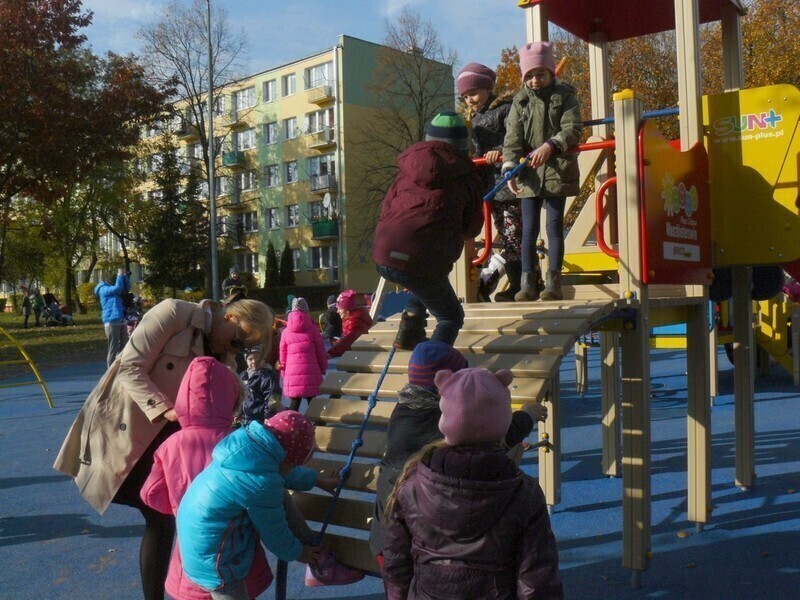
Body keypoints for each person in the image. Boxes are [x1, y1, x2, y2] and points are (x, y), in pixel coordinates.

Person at [53, 297, 275, 600]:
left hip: (176, 436)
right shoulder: (175, 313)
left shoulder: (223, 351)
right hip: (134, 424)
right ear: (231, 317)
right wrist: (167, 410)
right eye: (237, 341)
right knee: (160, 517)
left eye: (243, 347)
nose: (234, 349)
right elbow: (130, 367)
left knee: (180, 517)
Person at [380, 367, 563, 599]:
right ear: (503, 424)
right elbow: (537, 577)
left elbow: (396, 562)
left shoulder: (414, 482)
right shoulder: (523, 492)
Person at [369, 342, 544, 559]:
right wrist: (527, 415)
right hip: (415, 541)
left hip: (389, 538)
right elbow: (491, 436)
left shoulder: (406, 409)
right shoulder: (444, 421)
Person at [177, 411, 364, 598]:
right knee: (230, 592)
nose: (292, 468)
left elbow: (282, 472)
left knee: (278, 491)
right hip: (214, 559)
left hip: (197, 535)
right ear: (285, 459)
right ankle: (315, 559)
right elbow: (275, 532)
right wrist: (299, 553)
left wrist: (317, 481)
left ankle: (317, 559)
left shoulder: (251, 451)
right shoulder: (261, 484)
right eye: (293, 464)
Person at [139, 356, 273, 600]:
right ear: (231, 400)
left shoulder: (170, 446)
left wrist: (178, 506)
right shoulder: (241, 441)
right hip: (238, 544)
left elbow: (150, 493)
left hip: (192, 548)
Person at [372, 111, 484, 349]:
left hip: (383, 254)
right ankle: (428, 373)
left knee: (426, 277)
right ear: (462, 145)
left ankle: (410, 329)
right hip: (422, 261)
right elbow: (472, 227)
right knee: (450, 316)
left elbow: (385, 210)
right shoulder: (467, 176)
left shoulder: (406, 173)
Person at [503, 41, 583, 302]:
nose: (535, 80)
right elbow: (512, 137)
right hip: (529, 174)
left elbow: (572, 128)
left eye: (540, 74)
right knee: (528, 229)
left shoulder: (565, 96)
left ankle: (554, 282)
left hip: (557, 170)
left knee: (553, 228)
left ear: (551, 72)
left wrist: (552, 145)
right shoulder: (520, 101)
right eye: (529, 76)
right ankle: (527, 283)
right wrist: (510, 168)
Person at [459, 62, 525, 302]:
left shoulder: (506, 109)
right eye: (465, 96)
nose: (470, 100)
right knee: (507, 235)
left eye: (473, 93)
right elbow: (477, 149)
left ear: (487, 88)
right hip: (490, 185)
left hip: (507, 183)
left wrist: (498, 150)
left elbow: (515, 138)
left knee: (512, 235)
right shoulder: (476, 118)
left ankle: (520, 284)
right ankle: (521, 282)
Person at [278, 297, 328, 412]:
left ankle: (291, 425)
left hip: (292, 371)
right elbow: (321, 350)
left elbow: (282, 355)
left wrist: (284, 372)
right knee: (312, 402)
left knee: (294, 402)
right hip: (310, 369)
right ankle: (318, 423)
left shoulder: (285, 332)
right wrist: (323, 367)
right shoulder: (313, 329)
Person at [95, 267, 131, 367]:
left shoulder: (113, 288)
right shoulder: (103, 289)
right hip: (111, 321)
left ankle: (121, 366)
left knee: (125, 345)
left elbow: (127, 287)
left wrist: (124, 276)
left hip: (120, 319)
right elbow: (118, 288)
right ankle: (110, 369)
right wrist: (119, 275)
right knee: (113, 347)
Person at [238, 350, 281, 425]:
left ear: (264, 359)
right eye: (250, 359)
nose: (254, 361)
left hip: (260, 419)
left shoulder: (267, 377)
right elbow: (240, 396)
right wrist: (238, 412)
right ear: (246, 361)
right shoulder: (244, 375)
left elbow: (273, 398)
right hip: (245, 418)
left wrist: (268, 416)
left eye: (258, 358)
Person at [327, 289, 373, 358]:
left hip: (359, 357)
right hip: (357, 355)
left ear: (347, 310)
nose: (338, 311)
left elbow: (349, 341)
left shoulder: (355, 322)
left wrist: (331, 353)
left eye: (340, 309)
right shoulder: (351, 319)